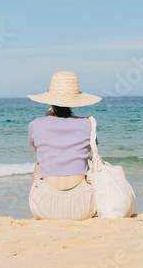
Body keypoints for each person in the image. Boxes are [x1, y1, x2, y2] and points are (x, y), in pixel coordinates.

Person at [26, 71, 100, 220]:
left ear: (50, 100)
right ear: (74, 102)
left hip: (46, 207)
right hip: (84, 207)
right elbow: (87, 150)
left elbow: (41, 153)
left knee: (39, 165)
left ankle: (36, 215)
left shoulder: (36, 124)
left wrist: (47, 118)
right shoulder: (88, 124)